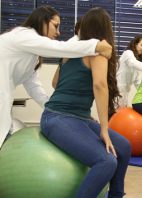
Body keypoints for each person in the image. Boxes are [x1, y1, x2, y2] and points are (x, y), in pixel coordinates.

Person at [41, 7, 139, 198]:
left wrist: (82, 111)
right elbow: (99, 86)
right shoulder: (100, 50)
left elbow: (55, 83)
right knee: (106, 160)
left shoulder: (72, 48)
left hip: (72, 117)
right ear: (106, 27)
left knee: (123, 147)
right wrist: (104, 128)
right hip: (57, 118)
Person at [0, 6, 112, 148]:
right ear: (43, 21)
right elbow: (57, 48)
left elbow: (34, 87)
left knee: (5, 134)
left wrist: (54, 109)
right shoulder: (23, 35)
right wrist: (96, 45)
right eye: (55, 26)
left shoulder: (31, 52)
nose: (58, 32)